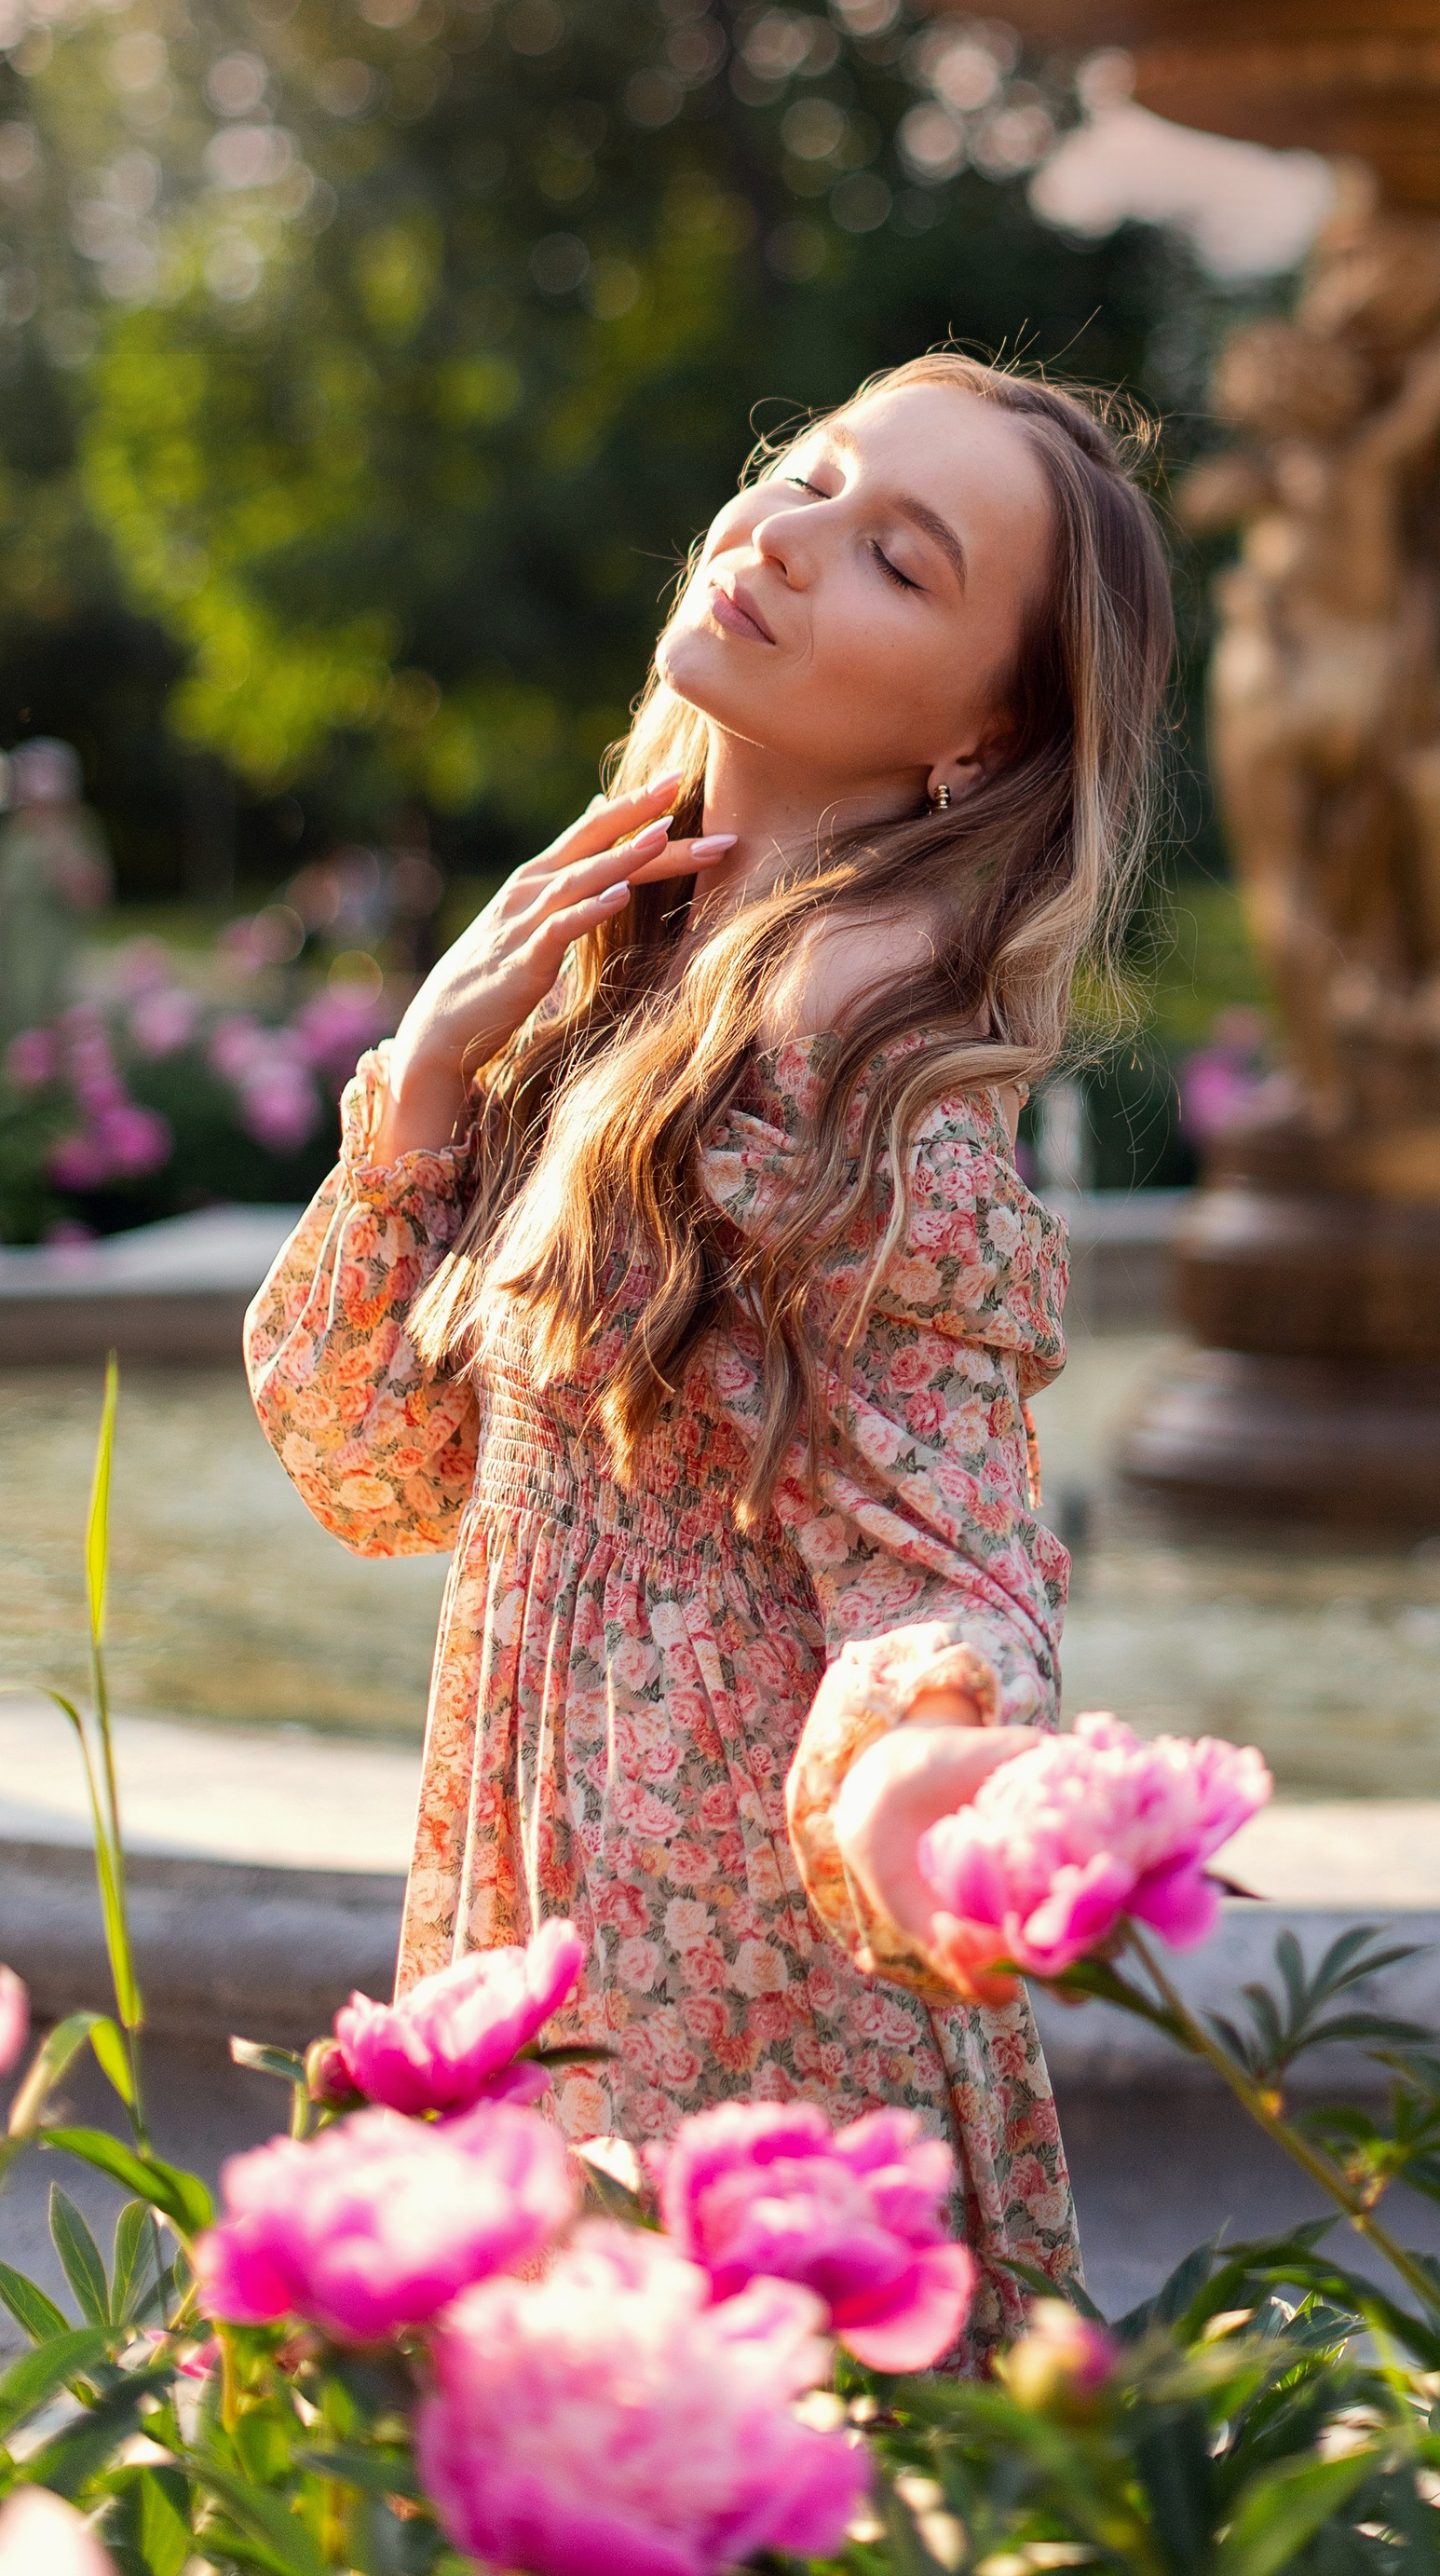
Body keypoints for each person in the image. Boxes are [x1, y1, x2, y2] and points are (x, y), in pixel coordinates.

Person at [244, 356, 1173, 2351]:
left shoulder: (868, 1078)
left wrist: (931, 1763)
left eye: (895, 561)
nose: (789, 537)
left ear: (981, 730)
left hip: (724, 2006)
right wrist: (418, 1094)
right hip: (530, 1912)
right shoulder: (604, 966)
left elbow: (948, 1573)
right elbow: (372, 1476)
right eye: (809, 479)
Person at [0, 739, 113, 1049]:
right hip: (12, 965)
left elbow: (89, 900)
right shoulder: (14, 833)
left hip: (58, 962)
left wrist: (54, 840)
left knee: (57, 1043)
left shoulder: (76, 828)